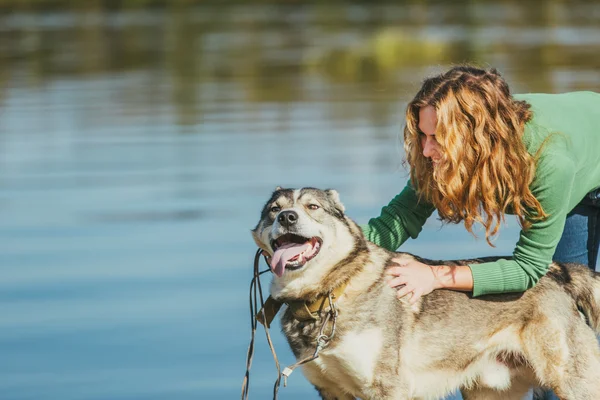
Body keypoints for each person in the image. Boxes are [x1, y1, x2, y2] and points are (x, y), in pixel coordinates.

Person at [362, 65, 600, 400]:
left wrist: (437, 275)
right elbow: (394, 222)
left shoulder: (550, 162)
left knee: (560, 325)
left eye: (437, 140)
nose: (427, 150)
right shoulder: (438, 157)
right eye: (422, 136)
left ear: (472, 138)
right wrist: (327, 252)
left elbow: (528, 269)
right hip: (567, 153)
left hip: (585, 166)